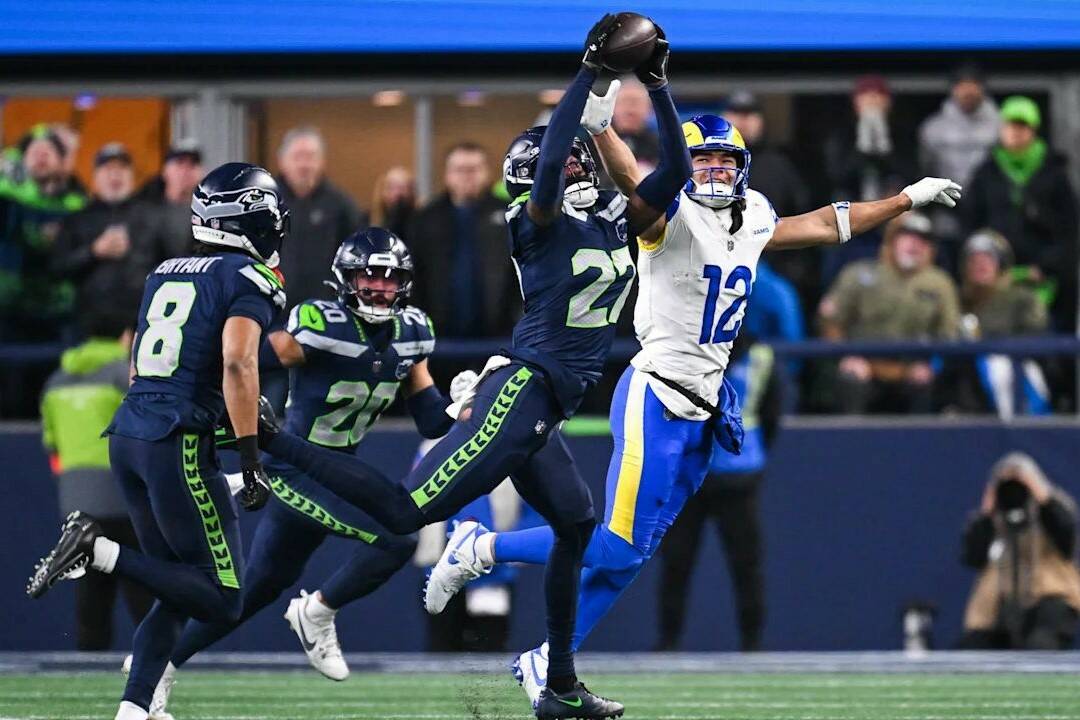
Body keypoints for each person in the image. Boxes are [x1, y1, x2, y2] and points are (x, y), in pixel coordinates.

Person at [422, 85, 963, 706]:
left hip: (704, 408)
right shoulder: (667, 214)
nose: (712, 170)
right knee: (615, 544)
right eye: (701, 159)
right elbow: (631, 176)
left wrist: (905, 199)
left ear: (741, 168)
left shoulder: (753, 214)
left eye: (724, 161)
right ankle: (482, 547)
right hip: (656, 395)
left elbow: (823, 224)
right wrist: (601, 127)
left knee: (628, 558)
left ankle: (548, 658)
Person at [251, 15, 692, 718]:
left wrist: (660, 88)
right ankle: (286, 469)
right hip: (522, 392)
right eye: (566, 163)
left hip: (549, 403)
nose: (577, 168)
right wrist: (585, 76)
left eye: (576, 163)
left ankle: (558, 686)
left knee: (577, 525)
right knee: (405, 514)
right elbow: (552, 159)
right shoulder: (535, 224)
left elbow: (678, 173)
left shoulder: (612, 220)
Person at [145, 229, 463, 716]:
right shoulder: (321, 326)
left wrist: (464, 402)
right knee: (397, 537)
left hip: (339, 472)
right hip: (295, 468)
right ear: (345, 279)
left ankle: (158, 667)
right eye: (368, 277)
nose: (379, 288)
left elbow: (431, 420)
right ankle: (317, 612)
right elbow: (241, 358)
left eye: (389, 278)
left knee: (251, 593)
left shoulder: (413, 333)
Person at [27, 162, 288, 720]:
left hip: (131, 433)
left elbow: (143, 367)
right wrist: (249, 456)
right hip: (177, 440)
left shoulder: (165, 270)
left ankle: (134, 709)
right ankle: (98, 550)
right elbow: (238, 363)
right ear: (246, 220)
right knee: (222, 597)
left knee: (176, 585)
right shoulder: (249, 277)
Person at [655, 332, 781, 652]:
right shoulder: (757, 353)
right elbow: (771, 417)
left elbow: (770, 414)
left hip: (726, 476)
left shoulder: (755, 356)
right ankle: (673, 642)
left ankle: (748, 643)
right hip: (713, 474)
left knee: (734, 562)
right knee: (682, 561)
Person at [39, 311, 153, 650]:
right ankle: (158, 662)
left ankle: (88, 666)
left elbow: (53, 448)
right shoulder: (124, 374)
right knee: (143, 588)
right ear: (125, 336)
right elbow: (145, 431)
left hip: (77, 503)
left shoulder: (56, 381)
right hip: (126, 500)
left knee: (92, 594)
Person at [818, 211, 961, 414]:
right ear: (891, 241)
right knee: (848, 380)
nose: (914, 244)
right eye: (906, 235)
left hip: (912, 370)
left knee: (928, 386)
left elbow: (949, 335)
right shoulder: (858, 274)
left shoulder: (941, 284)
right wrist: (846, 356)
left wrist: (932, 366)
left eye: (923, 239)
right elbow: (830, 321)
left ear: (931, 248)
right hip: (864, 366)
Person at [961, 96, 1079, 332]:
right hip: (996, 280)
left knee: (1051, 341)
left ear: (1033, 130)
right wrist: (989, 268)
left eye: (1023, 126)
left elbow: (1070, 229)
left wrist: (1046, 268)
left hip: (1048, 282)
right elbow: (971, 224)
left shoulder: (1054, 172)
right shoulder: (986, 172)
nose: (1016, 132)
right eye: (1010, 125)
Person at [958, 452, 1080, 650]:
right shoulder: (992, 519)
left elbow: (1067, 540)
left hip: (1048, 600)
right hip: (999, 605)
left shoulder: (1052, 508)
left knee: (1041, 644)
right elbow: (972, 557)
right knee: (972, 649)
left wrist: (1041, 494)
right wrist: (987, 512)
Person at [723, 91, 816, 323]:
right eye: (737, 113)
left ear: (761, 121)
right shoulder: (707, 166)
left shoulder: (779, 165)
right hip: (717, 261)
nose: (743, 120)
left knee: (784, 304)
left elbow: (801, 215)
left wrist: (791, 269)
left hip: (768, 264)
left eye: (750, 114)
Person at [408, 143, 517, 339]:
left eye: (474, 169)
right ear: (447, 175)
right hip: (439, 336)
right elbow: (415, 275)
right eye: (459, 170)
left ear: (487, 173)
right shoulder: (426, 219)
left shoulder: (511, 215)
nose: (467, 176)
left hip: (499, 335)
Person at [943, 229, 1050, 416]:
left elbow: (1037, 335)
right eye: (974, 260)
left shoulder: (1021, 298)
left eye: (987, 259)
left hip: (1011, 373)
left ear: (1001, 265)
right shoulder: (956, 299)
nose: (980, 265)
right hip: (962, 378)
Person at [53, 143, 162, 323]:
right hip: (87, 325)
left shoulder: (152, 217)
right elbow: (58, 267)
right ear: (95, 176)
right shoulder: (78, 219)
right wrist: (94, 251)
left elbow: (171, 264)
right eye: (108, 169)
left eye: (121, 169)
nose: (115, 175)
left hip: (142, 322)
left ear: (132, 176)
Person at [275, 127, 366, 307]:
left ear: (322, 161)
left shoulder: (341, 206)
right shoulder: (265, 202)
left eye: (310, 157)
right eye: (297, 157)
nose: (304, 165)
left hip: (326, 310)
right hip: (273, 309)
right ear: (282, 161)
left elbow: (358, 258)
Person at [918, 62, 999, 246]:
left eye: (973, 84)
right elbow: (925, 172)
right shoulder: (933, 128)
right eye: (962, 85)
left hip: (990, 216)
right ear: (953, 89)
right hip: (947, 217)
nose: (968, 91)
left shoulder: (1000, 125)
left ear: (982, 88)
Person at [825, 75, 917, 203]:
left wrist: (883, 144)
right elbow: (836, 176)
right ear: (855, 102)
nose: (872, 102)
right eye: (866, 96)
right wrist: (863, 145)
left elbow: (912, 174)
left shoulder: (901, 135)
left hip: (891, 200)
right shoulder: (842, 135)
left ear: (889, 102)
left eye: (878, 96)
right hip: (853, 200)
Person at [138, 140, 205, 258]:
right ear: (165, 170)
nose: (185, 171)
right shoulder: (143, 211)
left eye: (192, 165)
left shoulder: (210, 214)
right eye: (180, 163)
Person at [370, 165, 416, 242]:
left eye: (402, 188)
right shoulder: (367, 221)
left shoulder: (420, 224)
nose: (397, 194)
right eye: (391, 188)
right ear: (382, 191)